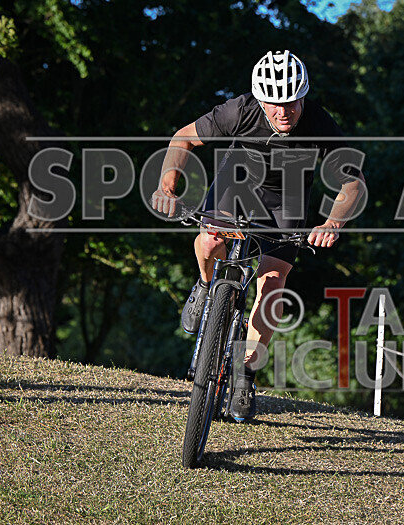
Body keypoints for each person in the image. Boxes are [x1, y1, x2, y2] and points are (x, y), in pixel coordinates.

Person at [151, 50, 366, 421]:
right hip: (237, 181)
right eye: (274, 103)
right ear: (260, 99)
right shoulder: (239, 111)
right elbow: (182, 139)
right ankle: (205, 287)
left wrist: (332, 223)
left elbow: (353, 182)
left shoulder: (319, 123)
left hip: (289, 196)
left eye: (292, 102)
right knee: (210, 240)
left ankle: (245, 373)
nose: (284, 112)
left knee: (273, 283)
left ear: (304, 95)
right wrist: (167, 185)